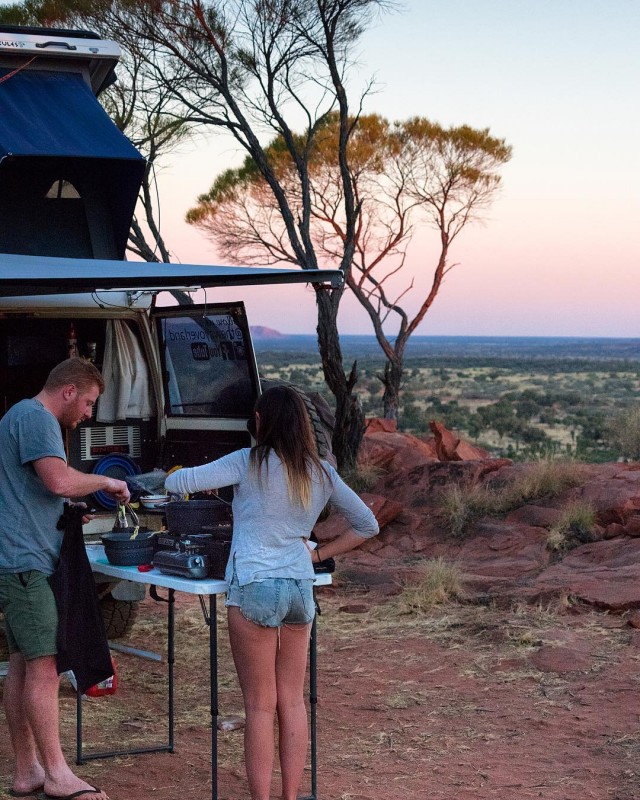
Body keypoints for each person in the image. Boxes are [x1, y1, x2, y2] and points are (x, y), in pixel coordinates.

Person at [165, 385, 379, 800]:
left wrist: (165, 475)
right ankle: (291, 796)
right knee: (292, 702)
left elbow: (182, 483)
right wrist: (317, 556)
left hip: (255, 587)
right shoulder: (321, 472)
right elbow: (367, 525)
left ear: (260, 421)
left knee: (260, 707)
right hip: (300, 589)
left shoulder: (248, 462)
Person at [0, 358, 130, 800]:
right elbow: (56, 480)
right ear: (70, 391)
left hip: (21, 558)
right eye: (89, 402)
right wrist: (105, 483)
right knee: (45, 668)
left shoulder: (22, 417)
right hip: (25, 563)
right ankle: (57, 773)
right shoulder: (37, 419)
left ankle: (27, 771)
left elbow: (38, 492)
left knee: (22, 664)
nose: (89, 414)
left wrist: (66, 511)